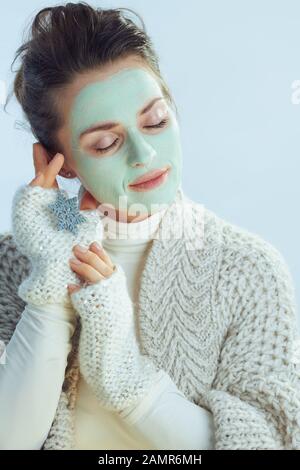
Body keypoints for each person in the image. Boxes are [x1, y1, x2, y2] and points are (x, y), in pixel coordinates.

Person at [0, 3, 299, 450]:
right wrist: (52, 280)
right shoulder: (15, 262)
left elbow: (265, 442)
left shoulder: (249, 270)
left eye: (156, 120)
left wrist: (123, 375)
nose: (144, 153)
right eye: (106, 142)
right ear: (61, 164)